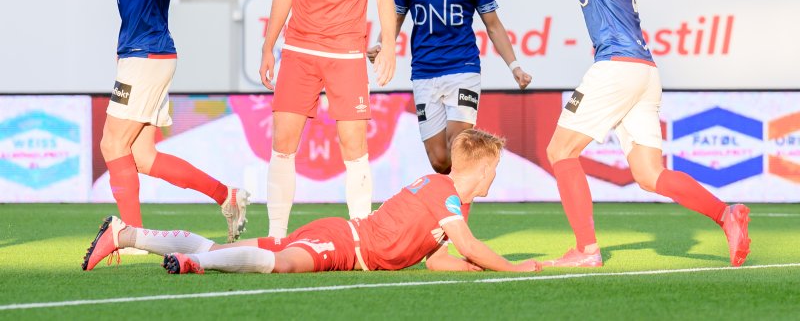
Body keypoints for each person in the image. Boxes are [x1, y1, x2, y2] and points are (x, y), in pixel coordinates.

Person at [511, 0, 751, 268]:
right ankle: (726, 215)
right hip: (643, 71)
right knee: (649, 174)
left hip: (617, 66)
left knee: (560, 151)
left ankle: (586, 251)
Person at [82, 129, 542, 275]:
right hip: (345, 245)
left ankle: (125, 234)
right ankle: (192, 265)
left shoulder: (436, 187)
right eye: (495, 168)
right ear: (483, 169)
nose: (495, 177)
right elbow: (470, 245)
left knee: (221, 250)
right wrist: (514, 268)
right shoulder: (447, 196)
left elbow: (440, 261)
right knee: (280, 267)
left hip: (339, 233)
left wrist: (481, 267)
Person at [101, 0, 249, 244]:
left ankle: (131, 235)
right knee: (144, 157)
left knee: (111, 145)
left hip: (148, 55)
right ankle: (225, 196)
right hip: (137, 53)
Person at [258, 0, 397, 239]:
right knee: (283, 144)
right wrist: (269, 47)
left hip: (345, 52)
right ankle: (276, 235)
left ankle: (361, 235)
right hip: (299, 50)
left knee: (353, 146)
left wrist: (389, 45)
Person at [367, 0, 532, 174]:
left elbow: (493, 26)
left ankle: (459, 212)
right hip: (423, 73)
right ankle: (463, 188)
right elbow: (394, 18)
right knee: (440, 161)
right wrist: (382, 46)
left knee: (458, 145)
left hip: (463, 69)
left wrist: (515, 67)